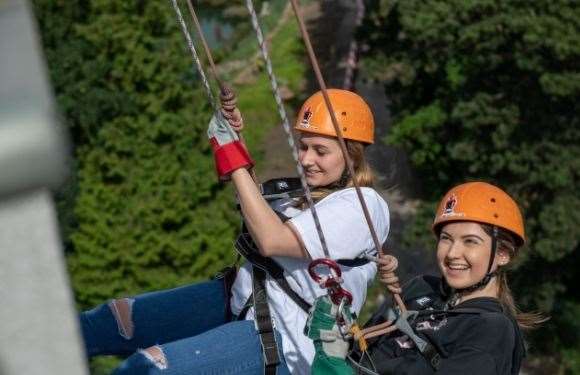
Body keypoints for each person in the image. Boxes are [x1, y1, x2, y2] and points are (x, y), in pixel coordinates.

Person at [80, 89, 391, 374]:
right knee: (109, 321)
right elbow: (257, 213)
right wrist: (237, 142)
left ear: (352, 155)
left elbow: (272, 241)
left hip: (282, 340)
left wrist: (232, 156)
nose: (306, 159)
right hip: (241, 301)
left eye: (320, 151)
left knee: (145, 369)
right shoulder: (306, 194)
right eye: (303, 146)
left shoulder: (363, 206)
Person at [307, 181, 547, 374]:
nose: (453, 253)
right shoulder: (420, 289)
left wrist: (335, 368)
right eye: (446, 238)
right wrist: (338, 337)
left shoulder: (492, 330)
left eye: (470, 241)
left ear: (503, 254)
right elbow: (362, 354)